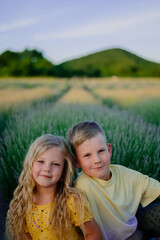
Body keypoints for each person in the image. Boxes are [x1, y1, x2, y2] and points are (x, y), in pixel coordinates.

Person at [67, 121, 160, 240]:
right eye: (87, 155)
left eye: (101, 151)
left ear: (109, 150)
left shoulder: (122, 172)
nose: (97, 160)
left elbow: (154, 187)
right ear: (76, 162)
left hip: (134, 225)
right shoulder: (82, 186)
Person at [6, 134, 102, 240]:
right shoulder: (23, 204)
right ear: (30, 165)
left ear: (63, 172)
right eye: (40, 161)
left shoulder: (71, 201)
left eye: (56, 164)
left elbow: (94, 234)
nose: (47, 168)